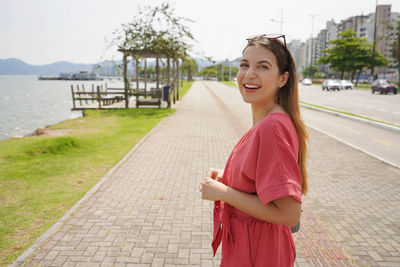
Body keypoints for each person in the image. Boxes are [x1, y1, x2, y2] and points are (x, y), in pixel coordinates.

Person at [199, 34, 308, 267]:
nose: (249, 74)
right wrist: (227, 177)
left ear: (282, 79)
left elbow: (290, 214)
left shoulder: (272, 127)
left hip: (258, 252)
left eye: (263, 66)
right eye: (244, 65)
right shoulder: (269, 120)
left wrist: (223, 192)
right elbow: (260, 180)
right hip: (253, 246)